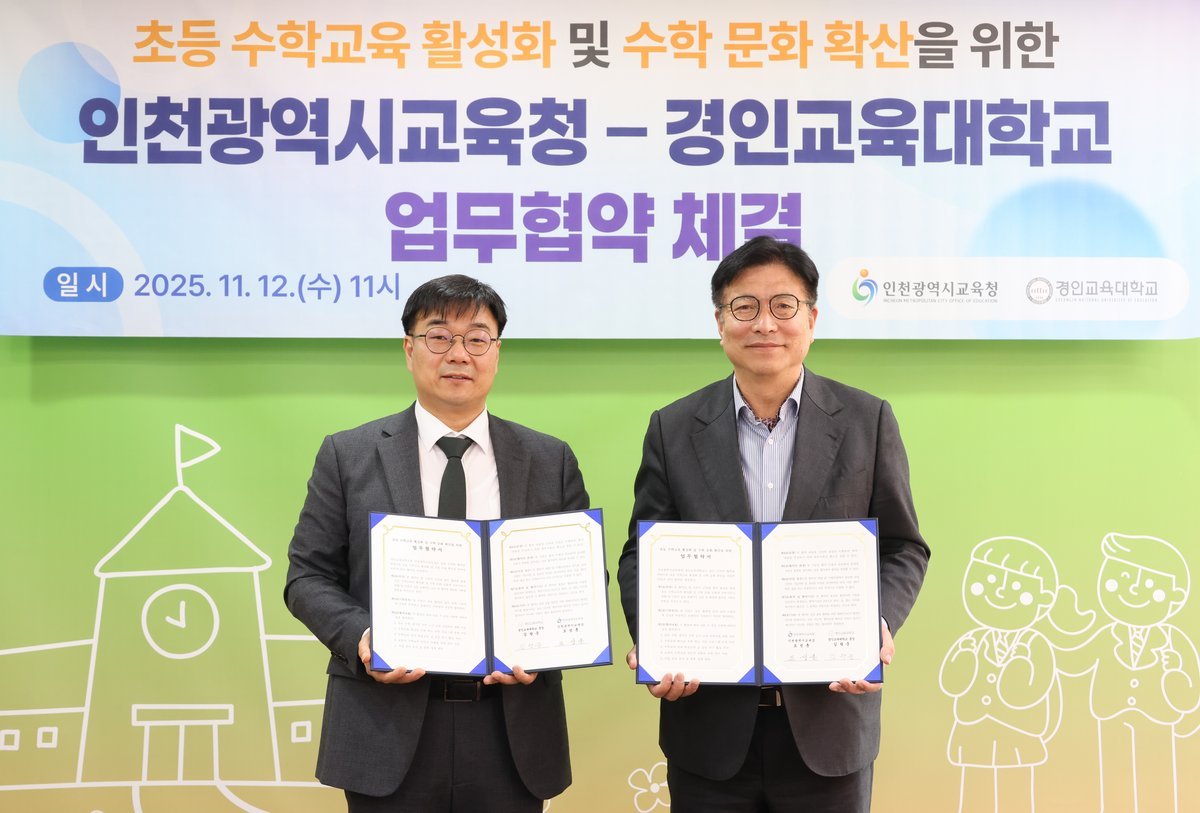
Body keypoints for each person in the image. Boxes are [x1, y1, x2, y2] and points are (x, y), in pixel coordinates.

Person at [617, 236, 930, 812]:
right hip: (708, 726)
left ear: (811, 318)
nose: (765, 323)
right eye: (745, 307)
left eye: (783, 306)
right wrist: (655, 640)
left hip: (830, 723)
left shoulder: (867, 421)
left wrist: (876, 622)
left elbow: (902, 546)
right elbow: (643, 552)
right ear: (720, 321)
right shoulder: (673, 427)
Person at [285, 274, 589, 812]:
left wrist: (544, 646)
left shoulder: (549, 459)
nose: (459, 354)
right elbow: (307, 577)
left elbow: (577, 578)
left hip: (510, 728)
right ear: (409, 349)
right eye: (439, 336)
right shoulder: (348, 454)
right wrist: (363, 638)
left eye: (477, 338)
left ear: (497, 352)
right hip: (386, 723)